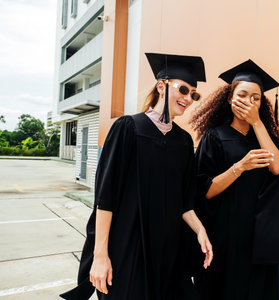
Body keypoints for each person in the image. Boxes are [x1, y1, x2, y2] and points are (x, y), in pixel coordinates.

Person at [60, 53, 213, 300]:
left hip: (167, 252)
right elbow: (105, 197)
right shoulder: (128, 128)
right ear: (161, 87)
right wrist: (100, 256)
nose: (188, 98)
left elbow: (186, 203)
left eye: (194, 95)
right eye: (183, 89)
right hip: (129, 246)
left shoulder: (183, 141)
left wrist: (200, 230)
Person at [190, 59, 279, 300]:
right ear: (229, 98)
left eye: (256, 98)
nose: (249, 101)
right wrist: (239, 167)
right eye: (243, 95)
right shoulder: (214, 137)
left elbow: (277, 167)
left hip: (261, 234)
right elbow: (205, 191)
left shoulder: (266, 138)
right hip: (226, 233)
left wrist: (257, 122)